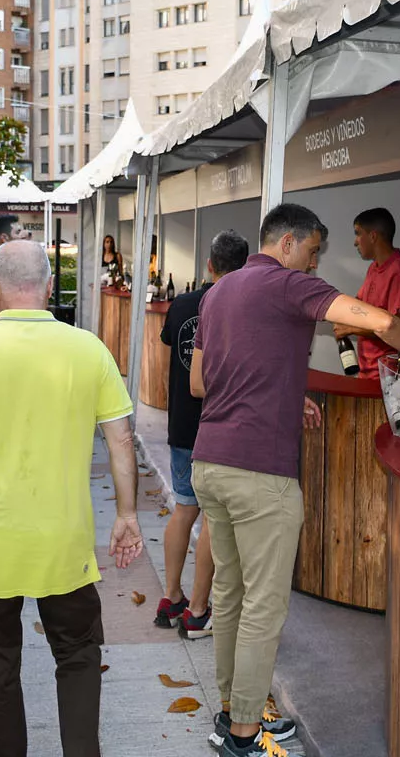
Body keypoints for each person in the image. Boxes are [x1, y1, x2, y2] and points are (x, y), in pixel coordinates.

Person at [190, 203, 400, 756]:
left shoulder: (220, 292)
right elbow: (383, 321)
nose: (315, 262)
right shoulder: (287, 285)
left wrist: (284, 394)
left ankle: (232, 711)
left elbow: (204, 380)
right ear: (289, 243)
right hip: (259, 473)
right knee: (264, 607)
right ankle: (245, 735)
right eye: (315, 251)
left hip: (211, 462)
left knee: (229, 595)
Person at [0, 241, 142, 757]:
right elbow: (122, 439)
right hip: (63, 539)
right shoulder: (88, 349)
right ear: (48, 286)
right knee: (79, 654)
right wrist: (127, 514)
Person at [155, 230, 250, 640]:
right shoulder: (241, 309)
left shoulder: (182, 304)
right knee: (214, 518)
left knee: (184, 509)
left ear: (209, 265)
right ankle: (197, 612)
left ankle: (172, 598)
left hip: (180, 426)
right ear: (244, 267)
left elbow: (169, 351)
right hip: (218, 429)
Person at [335, 207, 400, 378]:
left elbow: (396, 324)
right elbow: (358, 306)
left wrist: (351, 328)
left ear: (373, 236)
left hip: (388, 374)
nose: (355, 242)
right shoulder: (373, 268)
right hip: (366, 370)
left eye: (358, 233)